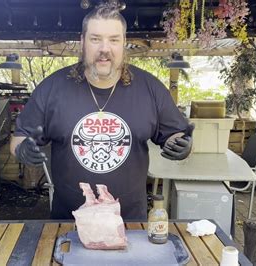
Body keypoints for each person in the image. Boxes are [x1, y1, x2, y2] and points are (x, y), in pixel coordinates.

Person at [10, 3, 193, 219]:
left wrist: (183, 144)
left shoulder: (150, 88)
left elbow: (175, 134)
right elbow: (19, 139)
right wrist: (21, 150)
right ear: (82, 42)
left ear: (124, 43)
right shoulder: (52, 88)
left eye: (114, 40)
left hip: (131, 224)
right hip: (69, 222)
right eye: (95, 39)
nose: (104, 49)